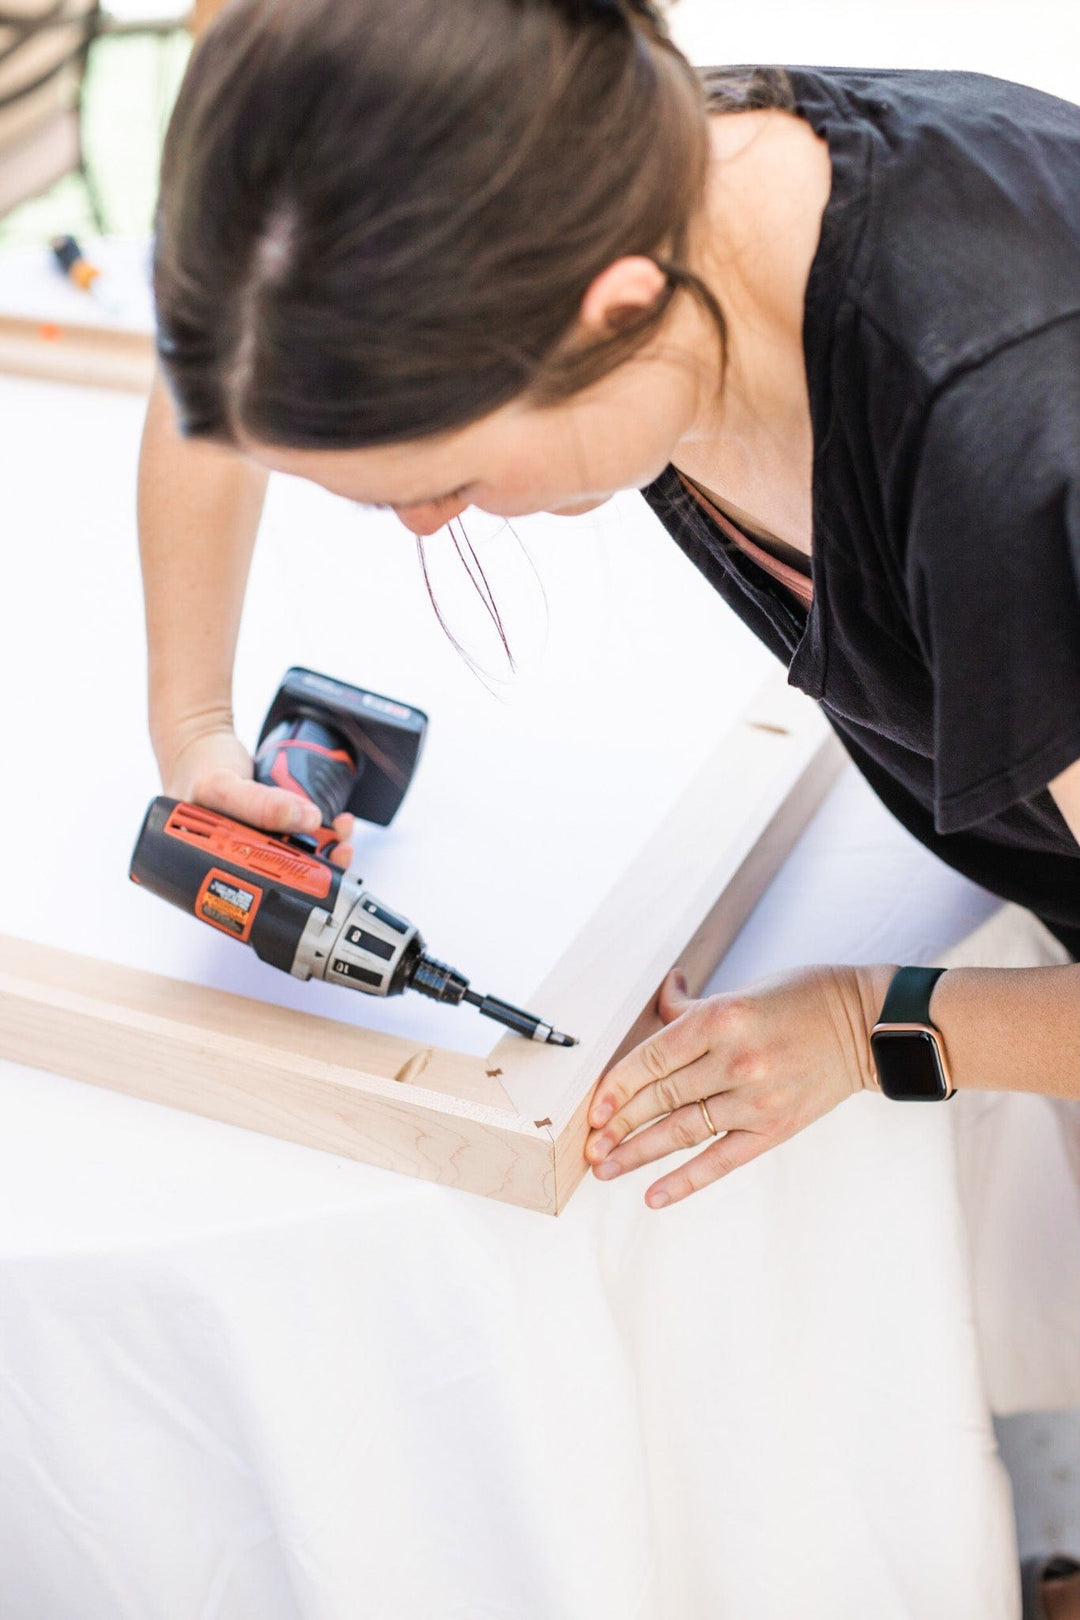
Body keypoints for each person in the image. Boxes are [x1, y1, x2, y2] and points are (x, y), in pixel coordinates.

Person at [138, 1, 1080, 1611]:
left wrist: (876, 1025)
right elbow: (221, 375)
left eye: (447, 476)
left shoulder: (1007, 451)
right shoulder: (611, 171)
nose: (431, 527)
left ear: (611, 313)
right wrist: (197, 728)